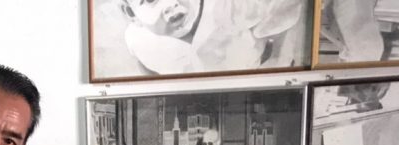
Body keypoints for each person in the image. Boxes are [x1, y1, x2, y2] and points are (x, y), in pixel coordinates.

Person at [115, 0, 308, 76]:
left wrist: (278, 61)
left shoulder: (234, 7)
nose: (171, 3)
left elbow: (290, 12)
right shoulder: (138, 39)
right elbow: (146, 66)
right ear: (130, 13)